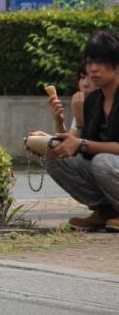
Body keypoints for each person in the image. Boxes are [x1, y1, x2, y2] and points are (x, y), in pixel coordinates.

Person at [44, 30, 119, 232]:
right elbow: (83, 148)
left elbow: (88, 147)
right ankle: (106, 211)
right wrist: (52, 141)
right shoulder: (93, 101)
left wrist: (82, 144)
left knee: (103, 162)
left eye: (101, 62)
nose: (93, 69)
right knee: (56, 158)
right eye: (89, 62)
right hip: (107, 166)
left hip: (110, 164)